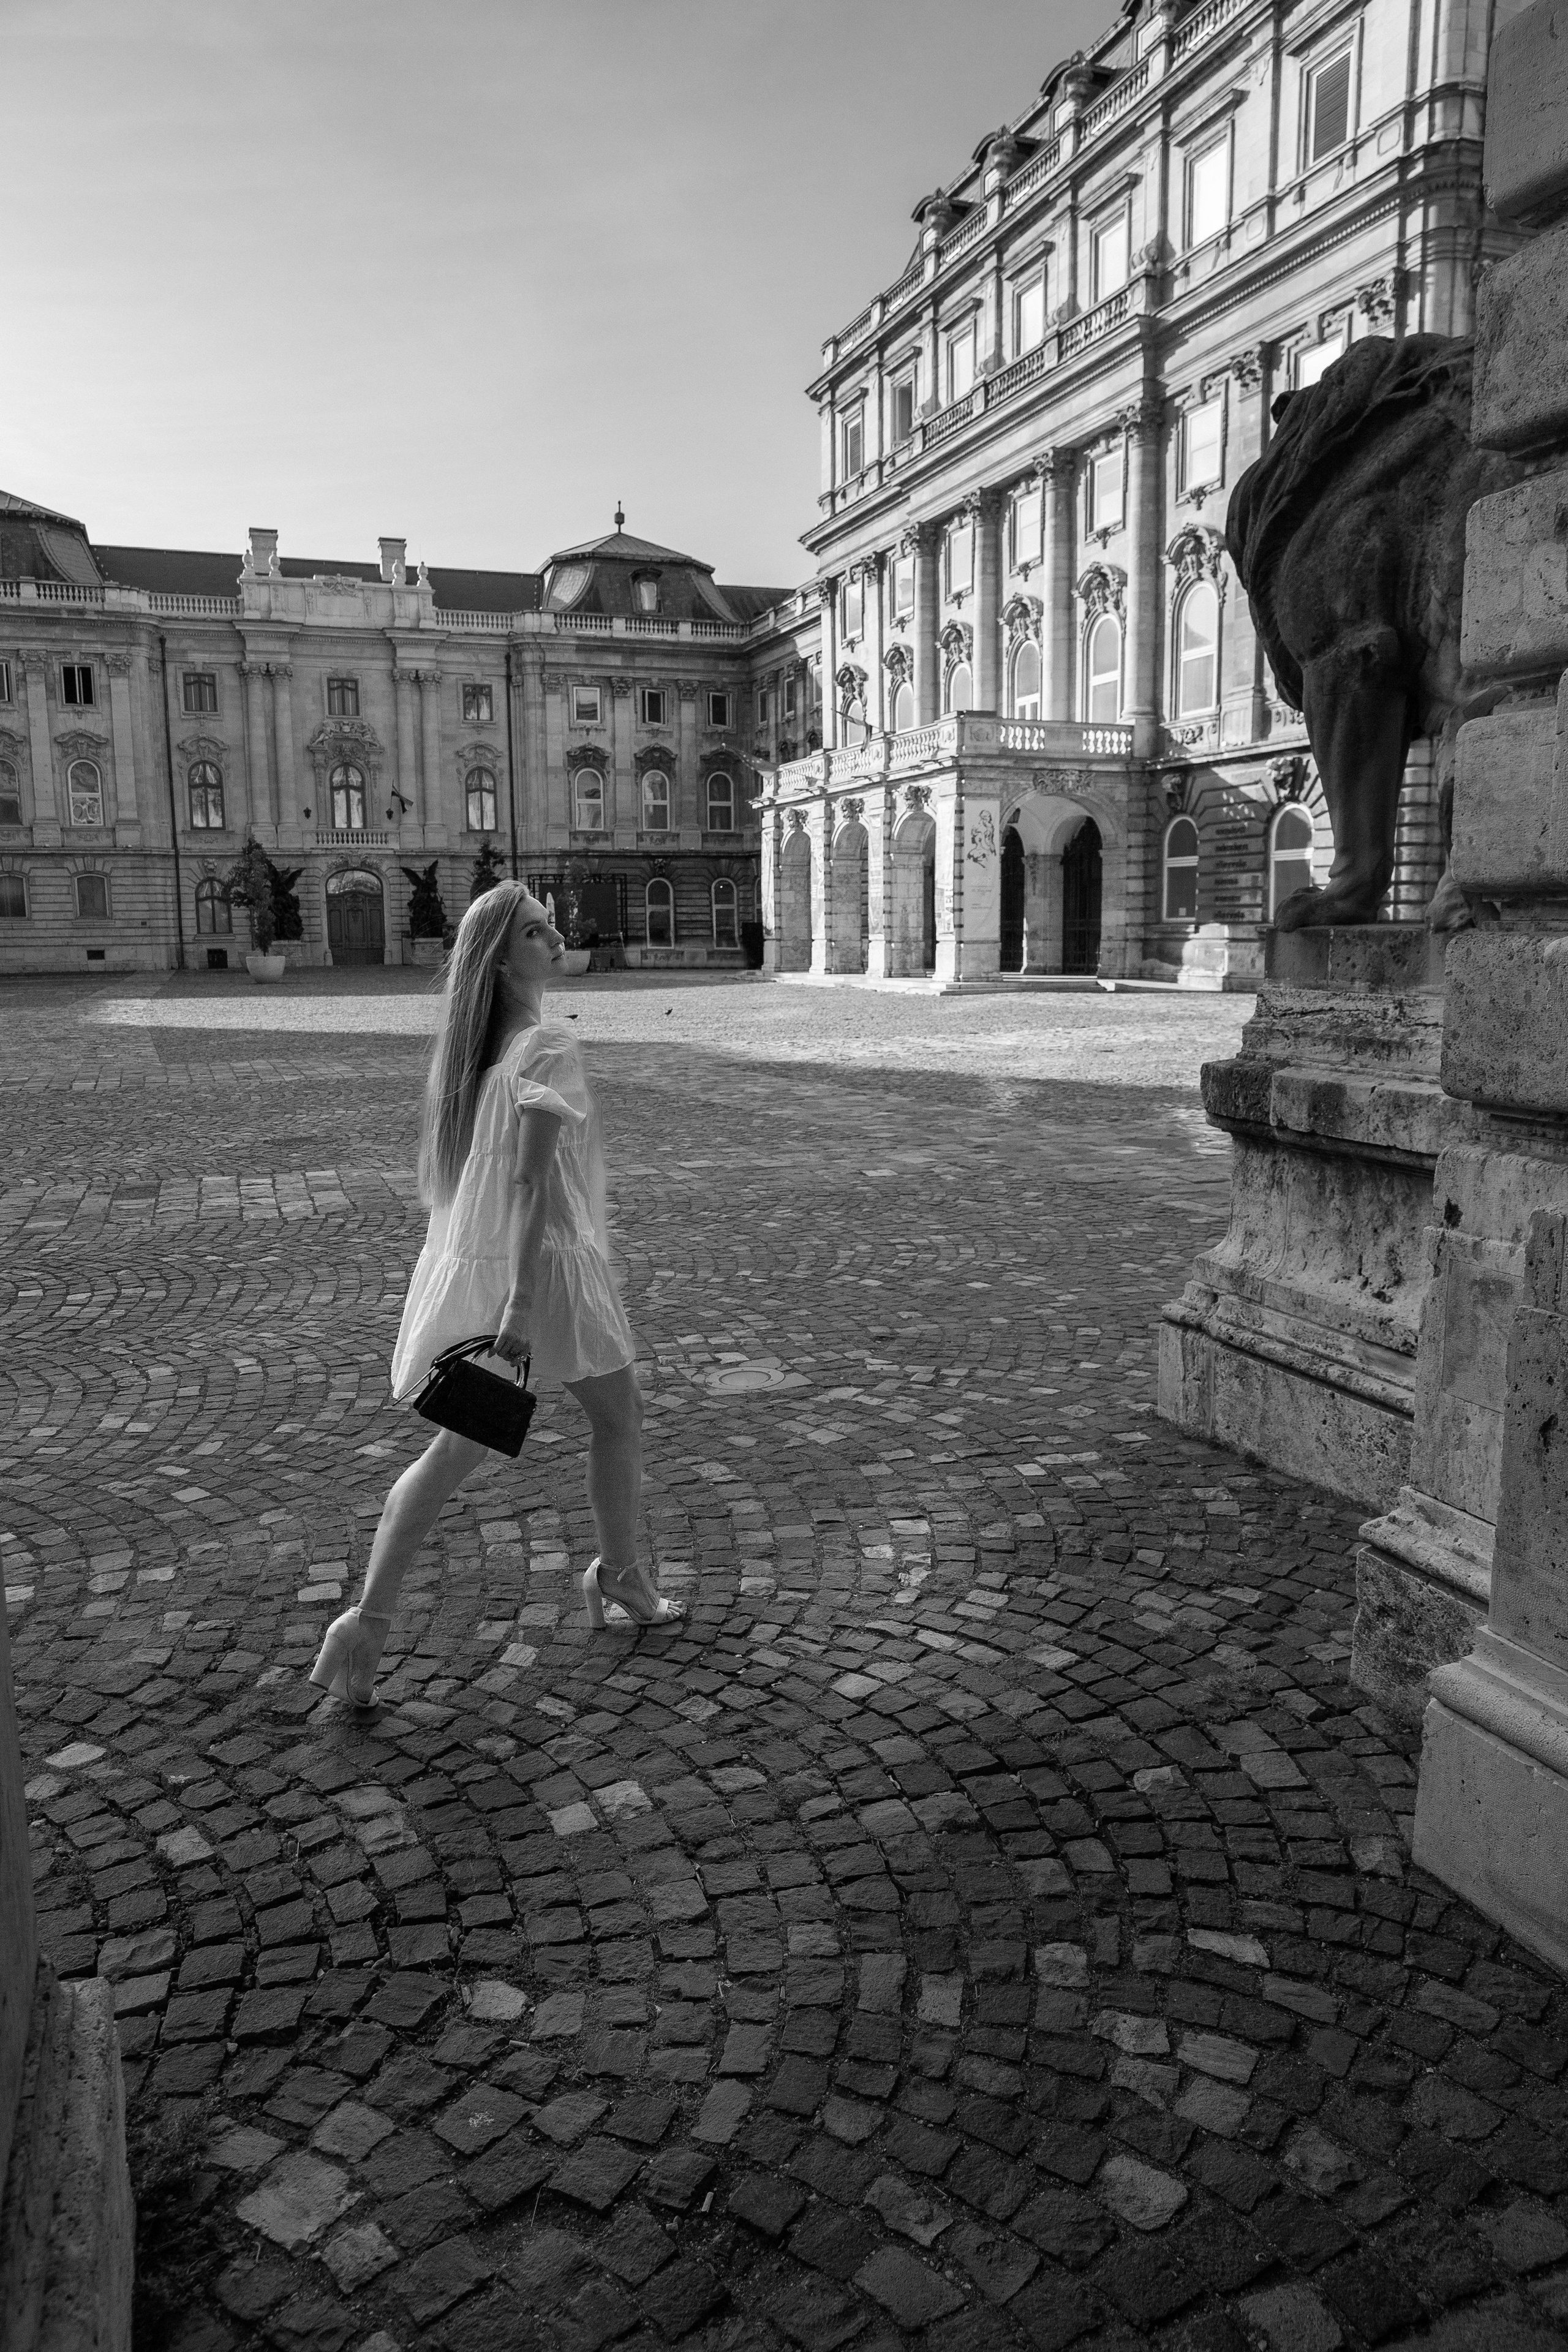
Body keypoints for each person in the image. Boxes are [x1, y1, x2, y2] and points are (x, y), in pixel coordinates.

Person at [309, 882, 680, 1710]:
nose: (555, 940)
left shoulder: (476, 1057)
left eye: (552, 928)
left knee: (452, 1455)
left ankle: (364, 1623)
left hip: (496, 1272)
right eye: (537, 933)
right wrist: (519, 1305)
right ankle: (622, 1576)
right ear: (503, 957)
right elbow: (527, 1184)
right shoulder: (543, 1044)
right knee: (618, 1419)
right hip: (543, 1274)